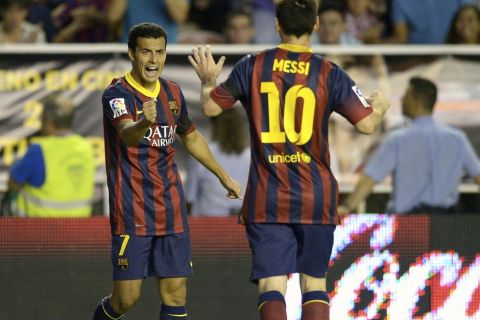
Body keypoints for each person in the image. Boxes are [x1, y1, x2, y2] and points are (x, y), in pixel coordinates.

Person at [188, 0, 389, 319]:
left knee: (271, 282)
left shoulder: (252, 65)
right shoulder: (328, 71)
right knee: (314, 283)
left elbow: (211, 109)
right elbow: (366, 124)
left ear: (278, 26)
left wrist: (208, 81)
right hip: (316, 195)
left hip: (268, 196)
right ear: (316, 25)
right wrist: (379, 106)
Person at [91, 22, 241, 320]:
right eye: (146, 52)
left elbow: (191, 136)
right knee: (126, 299)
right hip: (132, 210)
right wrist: (144, 122)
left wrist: (223, 175)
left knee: (175, 293)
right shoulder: (117, 94)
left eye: (159, 52)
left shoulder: (172, 92)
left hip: (171, 209)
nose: (154, 60)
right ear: (132, 53)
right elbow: (127, 135)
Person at [340, 77, 480, 215]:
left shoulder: (397, 140)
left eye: (405, 96)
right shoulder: (457, 139)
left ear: (415, 101)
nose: (402, 100)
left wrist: (346, 207)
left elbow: (370, 178)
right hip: (446, 224)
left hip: (408, 224)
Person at [6, 94, 95, 217]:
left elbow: (14, 181)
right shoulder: (86, 147)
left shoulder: (39, 150)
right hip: (79, 228)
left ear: (47, 122)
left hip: (41, 230)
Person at [186, 107, 250, 216]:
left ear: (215, 126)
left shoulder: (203, 153)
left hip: (208, 221)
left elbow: (189, 197)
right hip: (240, 222)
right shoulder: (250, 156)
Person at [389, 0, 472, 44]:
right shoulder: (400, 1)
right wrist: (376, 42)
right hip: (418, 62)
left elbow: (473, 26)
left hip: (455, 58)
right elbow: (401, 39)